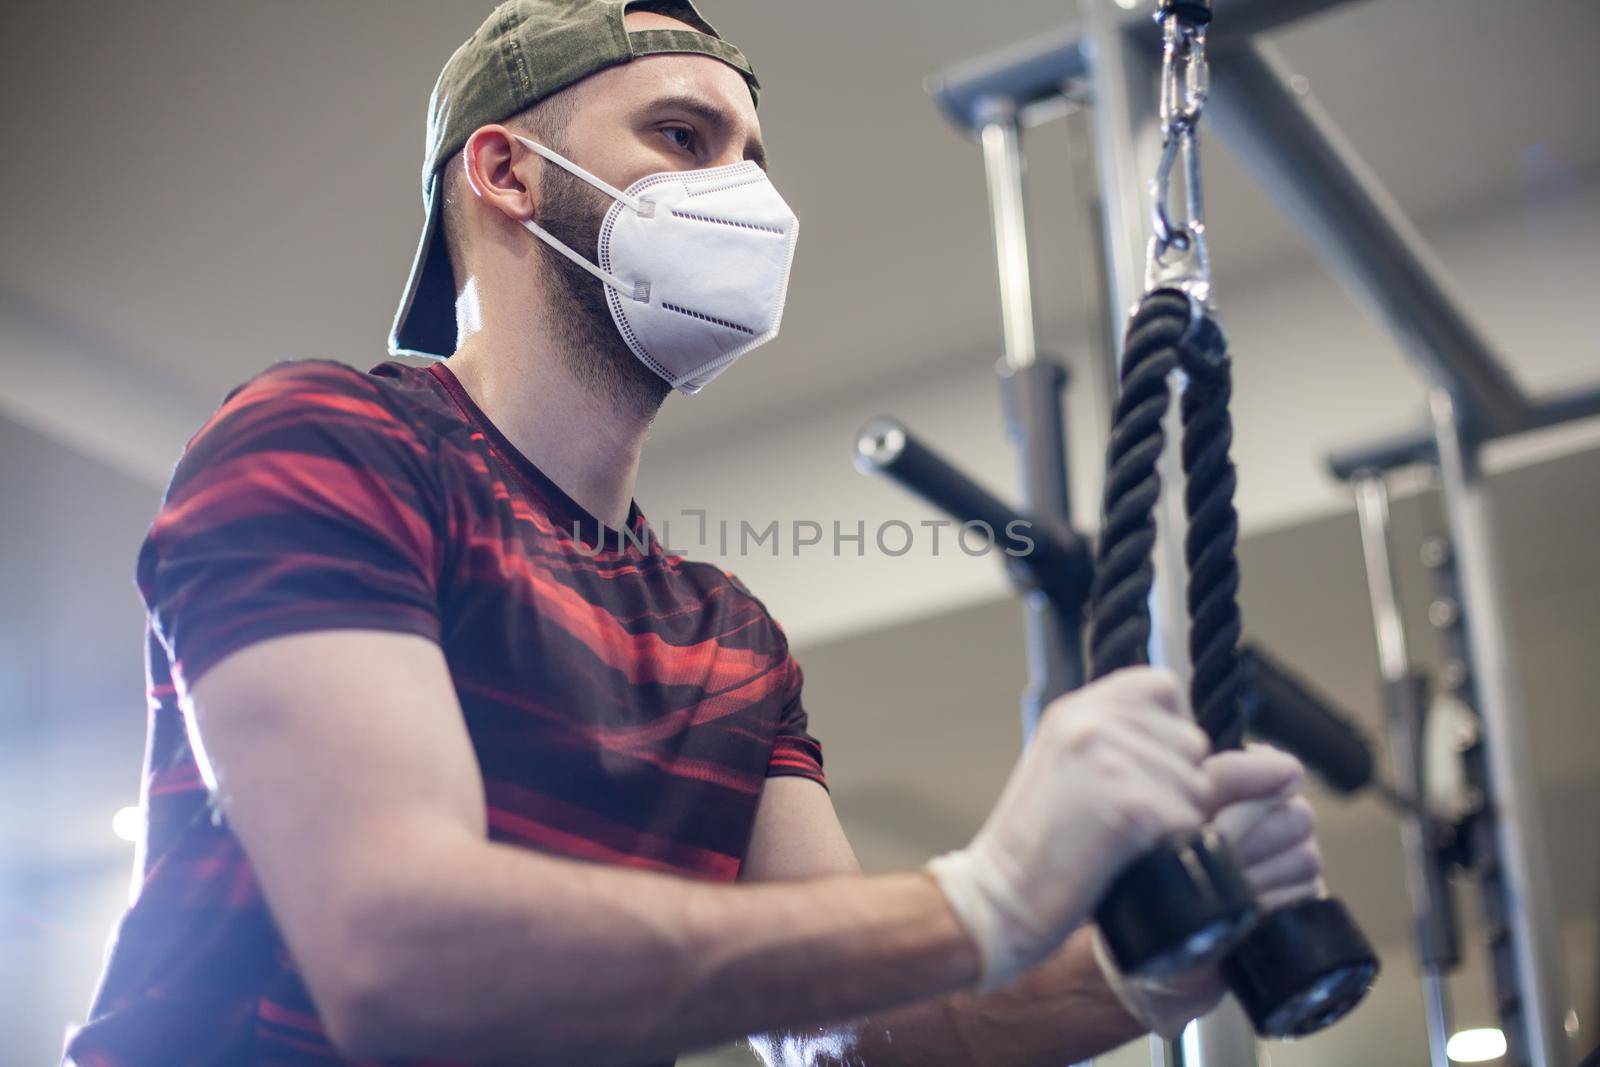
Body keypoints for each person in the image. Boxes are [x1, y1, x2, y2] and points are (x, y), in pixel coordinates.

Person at [64, 2, 1328, 1064]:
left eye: (753, 158)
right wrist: (982, 892)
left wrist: (1137, 969)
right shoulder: (335, 438)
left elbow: (858, 1029)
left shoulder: (726, 633)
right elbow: (400, 949)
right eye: (683, 136)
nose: (748, 197)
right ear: (504, 172)